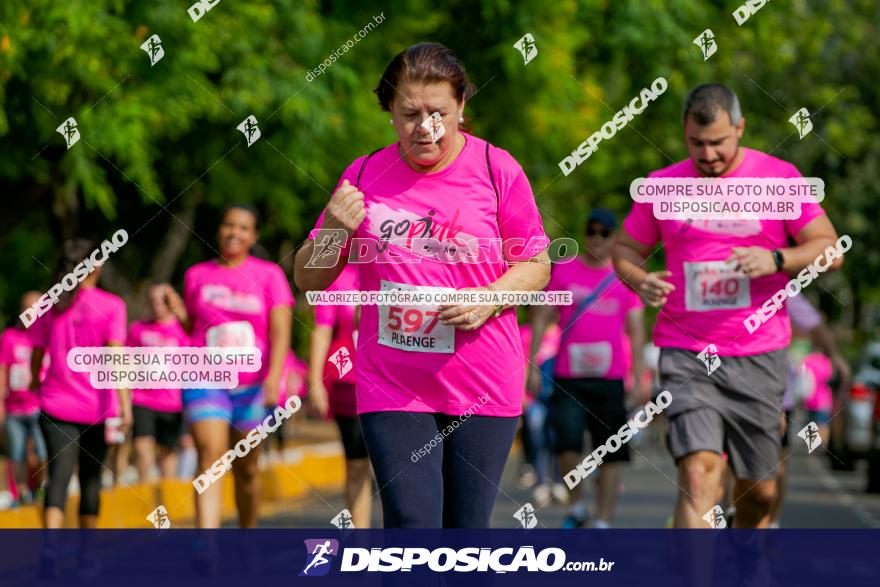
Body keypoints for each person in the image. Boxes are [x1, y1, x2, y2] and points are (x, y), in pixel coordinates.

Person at [294, 42, 550, 528]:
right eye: (410, 113)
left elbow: (536, 265)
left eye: (439, 112)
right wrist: (332, 230)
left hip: (481, 380)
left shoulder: (497, 170)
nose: (425, 126)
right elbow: (309, 278)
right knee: (411, 525)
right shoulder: (365, 173)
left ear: (461, 109)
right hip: (393, 382)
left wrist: (490, 298)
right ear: (389, 110)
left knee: (465, 534)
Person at [612, 84, 844, 529]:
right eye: (696, 143)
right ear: (684, 132)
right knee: (698, 472)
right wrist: (640, 279)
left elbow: (831, 250)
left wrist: (777, 258)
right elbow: (624, 249)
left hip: (760, 354)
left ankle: (744, 546)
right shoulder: (663, 186)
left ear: (739, 128)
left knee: (761, 491)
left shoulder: (779, 179)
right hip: (686, 351)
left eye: (718, 142)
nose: (708, 155)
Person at [166, 204, 294, 529]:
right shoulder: (196, 274)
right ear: (219, 229)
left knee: (247, 468)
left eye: (243, 227)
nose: (234, 232)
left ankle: (247, 535)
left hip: (252, 386)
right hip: (205, 377)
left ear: (254, 236)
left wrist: (275, 376)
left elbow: (281, 330)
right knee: (210, 454)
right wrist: (179, 313)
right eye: (228, 225)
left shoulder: (270, 274)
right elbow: (194, 325)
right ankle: (208, 544)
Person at [529, 209, 647, 528]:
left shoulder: (625, 275)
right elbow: (541, 316)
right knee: (567, 445)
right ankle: (578, 504)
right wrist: (531, 365)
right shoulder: (565, 272)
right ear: (585, 234)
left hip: (610, 379)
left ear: (614, 237)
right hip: (569, 377)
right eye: (592, 231)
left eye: (605, 232)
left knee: (610, 452)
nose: (597, 237)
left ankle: (604, 519)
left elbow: (636, 331)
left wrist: (639, 378)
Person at [30, 240, 132, 540]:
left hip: (54, 405)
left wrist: (37, 381)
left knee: (58, 478)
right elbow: (116, 359)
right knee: (90, 480)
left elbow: (37, 352)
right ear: (96, 266)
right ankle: (86, 554)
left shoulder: (51, 303)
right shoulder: (112, 305)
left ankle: (50, 549)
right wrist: (124, 405)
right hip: (97, 409)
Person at [307, 263, 374, 528]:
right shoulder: (335, 278)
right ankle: (362, 543)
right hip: (350, 386)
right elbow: (322, 330)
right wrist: (314, 380)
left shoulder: (396, 266)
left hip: (396, 385)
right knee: (357, 464)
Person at [127, 284, 190, 481]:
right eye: (153, 301)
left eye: (162, 301)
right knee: (141, 444)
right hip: (142, 398)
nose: (157, 306)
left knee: (167, 453)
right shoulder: (138, 329)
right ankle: (145, 491)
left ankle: (166, 498)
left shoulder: (183, 330)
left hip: (173, 402)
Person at [0, 291, 48, 506]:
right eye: (26, 307)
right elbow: (2, 371)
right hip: (14, 409)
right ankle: (21, 496)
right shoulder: (10, 337)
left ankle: (41, 490)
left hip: (40, 407)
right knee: (16, 455)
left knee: (42, 453)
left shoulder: (46, 337)